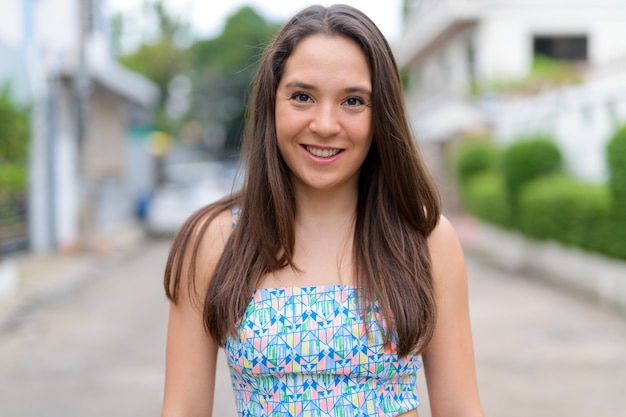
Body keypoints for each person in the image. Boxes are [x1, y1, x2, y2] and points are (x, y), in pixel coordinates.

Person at [161, 4, 483, 417]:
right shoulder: (212, 242)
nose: (326, 124)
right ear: (271, 105)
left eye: (353, 100)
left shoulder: (426, 239)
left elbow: (460, 409)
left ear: (381, 114)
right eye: (302, 97)